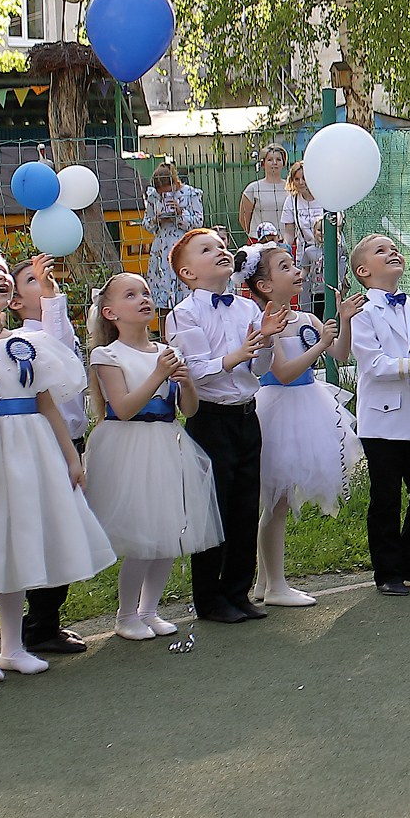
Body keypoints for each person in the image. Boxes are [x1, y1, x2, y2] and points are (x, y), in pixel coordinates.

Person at [0, 248, 114, 681]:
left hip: (30, 450)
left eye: (4, 270)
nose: (0, 276)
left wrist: (71, 456)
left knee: (19, 538)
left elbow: (46, 403)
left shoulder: (28, 343)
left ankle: (13, 645)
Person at [83, 272, 223, 640]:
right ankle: (126, 614)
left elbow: (188, 411)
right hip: (128, 447)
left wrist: (187, 384)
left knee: (167, 533)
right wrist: (158, 374)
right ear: (111, 312)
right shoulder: (107, 355)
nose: (143, 299)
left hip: (165, 442)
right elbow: (124, 407)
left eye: (145, 293)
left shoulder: (165, 351)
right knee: (141, 536)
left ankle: (150, 609)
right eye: (131, 295)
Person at [165, 227, 277, 625]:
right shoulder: (184, 314)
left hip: (247, 415)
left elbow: (261, 369)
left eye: (223, 247)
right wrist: (236, 354)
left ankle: (238, 591)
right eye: (206, 249)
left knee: (246, 505)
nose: (221, 251)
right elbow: (196, 372)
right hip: (210, 420)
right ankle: (209, 598)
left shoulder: (248, 309)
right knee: (214, 508)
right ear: (187, 273)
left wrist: (263, 344)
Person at [246, 242, 363, 605]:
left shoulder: (306, 319)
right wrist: (319, 346)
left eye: (294, 265)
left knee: (281, 499)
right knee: (277, 500)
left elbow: (341, 354)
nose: (297, 271)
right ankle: (275, 584)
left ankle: (265, 583)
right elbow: (281, 372)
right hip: (279, 409)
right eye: (285, 267)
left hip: (309, 405)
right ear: (265, 285)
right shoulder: (266, 324)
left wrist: (343, 322)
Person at [349, 234, 410, 596]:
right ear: (363, 270)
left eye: (394, 247)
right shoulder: (362, 311)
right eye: (381, 250)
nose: (392, 251)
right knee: (386, 498)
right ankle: (387, 571)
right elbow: (374, 365)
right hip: (383, 419)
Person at [13, 253, 92, 658]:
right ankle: (37, 624)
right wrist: (51, 297)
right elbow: (55, 328)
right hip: (45, 446)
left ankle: (46, 619)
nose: (44, 280)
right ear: (14, 300)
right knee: (45, 532)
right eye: (31, 279)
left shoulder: (55, 330)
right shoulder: (29, 339)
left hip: (71, 442)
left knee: (62, 532)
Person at [141, 162, 204, 312]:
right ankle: (165, 335)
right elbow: (146, 224)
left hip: (184, 249)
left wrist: (180, 213)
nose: (164, 195)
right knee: (163, 303)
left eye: (168, 191)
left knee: (187, 298)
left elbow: (198, 223)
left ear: (175, 183)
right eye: (161, 193)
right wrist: (157, 219)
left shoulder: (191, 194)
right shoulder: (153, 197)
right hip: (162, 251)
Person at [281, 161, 328, 316]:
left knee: (326, 290)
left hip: (325, 252)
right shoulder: (292, 200)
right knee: (306, 292)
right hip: (304, 253)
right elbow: (289, 231)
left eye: (304, 178)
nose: (301, 182)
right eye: (297, 179)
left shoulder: (325, 197)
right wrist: (286, 246)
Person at [239, 141, 291, 244]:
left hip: (284, 241)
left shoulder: (290, 188)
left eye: (278, 160)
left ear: (283, 163)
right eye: (270, 160)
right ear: (263, 163)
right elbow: (243, 219)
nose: (274, 163)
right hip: (259, 241)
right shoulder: (253, 188)